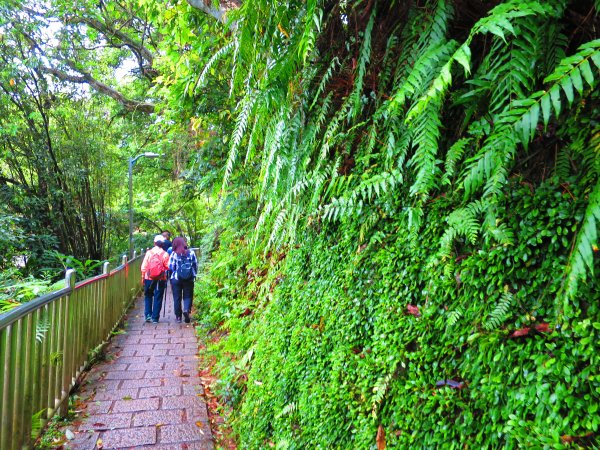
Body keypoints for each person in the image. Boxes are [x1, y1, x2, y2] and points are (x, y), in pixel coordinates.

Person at [140, 234, 170, 323]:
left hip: (148, 278)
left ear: (154, 243)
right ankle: (155, 318)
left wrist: (142, 276)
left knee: (148, 295)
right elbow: (168, 266)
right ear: (163, 244)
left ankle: (148, 315)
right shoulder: (165, 254)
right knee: (158, 297)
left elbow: (143, 267)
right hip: (160, 279)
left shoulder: (149, 253)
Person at [168, 236, 198, 323]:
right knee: (187, 295)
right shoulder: (191, 253)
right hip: (188, 278)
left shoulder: (174, 254)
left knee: (177, 297)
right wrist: (193, 274)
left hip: (176, 278)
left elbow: (171, 266)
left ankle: (178, 317)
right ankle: (186, 310)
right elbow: (195, 265)